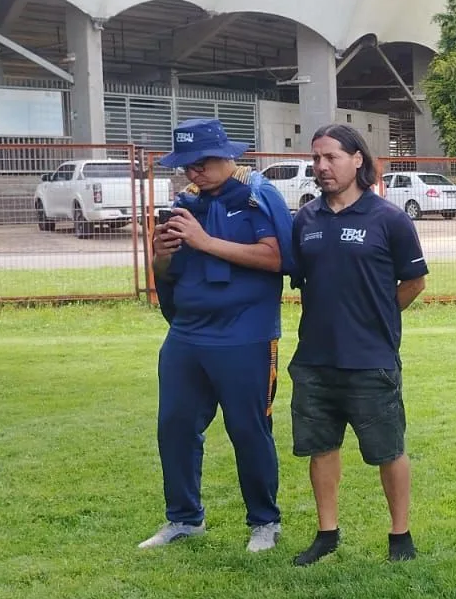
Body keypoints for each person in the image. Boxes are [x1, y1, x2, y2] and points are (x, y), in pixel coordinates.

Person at [140, 118, 293, 554]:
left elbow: (277, 256)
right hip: (188, 333)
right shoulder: (184, 203)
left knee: (248, 428)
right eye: (185, 166)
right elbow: (166, 274)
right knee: (175, 425)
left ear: (226, 155)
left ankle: (265, 522)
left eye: (201, 163)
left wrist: (204, 242)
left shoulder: (256, 195)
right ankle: (184, 519)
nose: (193, 173)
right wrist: (161, 256)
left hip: (245, 333)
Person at [288, 124, 428, 566]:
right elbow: (301, 281)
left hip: (371, 359)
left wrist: (378, 318)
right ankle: (327, 534)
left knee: (388, 450)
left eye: (331, 157)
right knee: (321, 447)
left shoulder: (389, 218)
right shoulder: (305, 219)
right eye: (316, 158)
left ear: (357, 160)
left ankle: (399, 535)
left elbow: (414, 281)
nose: (321, 167)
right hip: (314, 358)